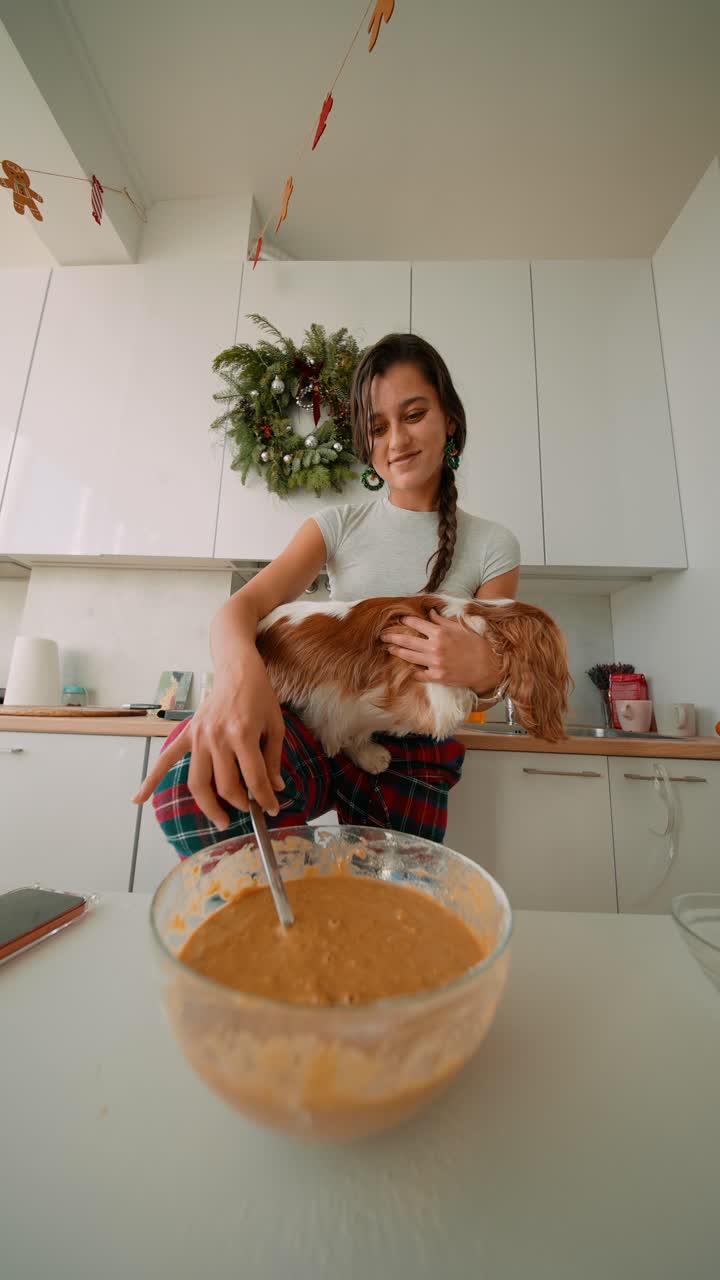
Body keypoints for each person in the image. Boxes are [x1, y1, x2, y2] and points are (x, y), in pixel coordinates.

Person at [133, 334, 521, 855]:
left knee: (391, 908)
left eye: (413, 415)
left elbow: (492, 688)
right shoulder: (335, 525)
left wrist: (482, 668)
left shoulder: (494, 544)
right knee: (190, 795)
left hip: (416, 753)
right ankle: (291, 902)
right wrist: (237, 677)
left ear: (450, 419)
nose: (396, 440)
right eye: (378, 427)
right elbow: (240, 610)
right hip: (318, 728)